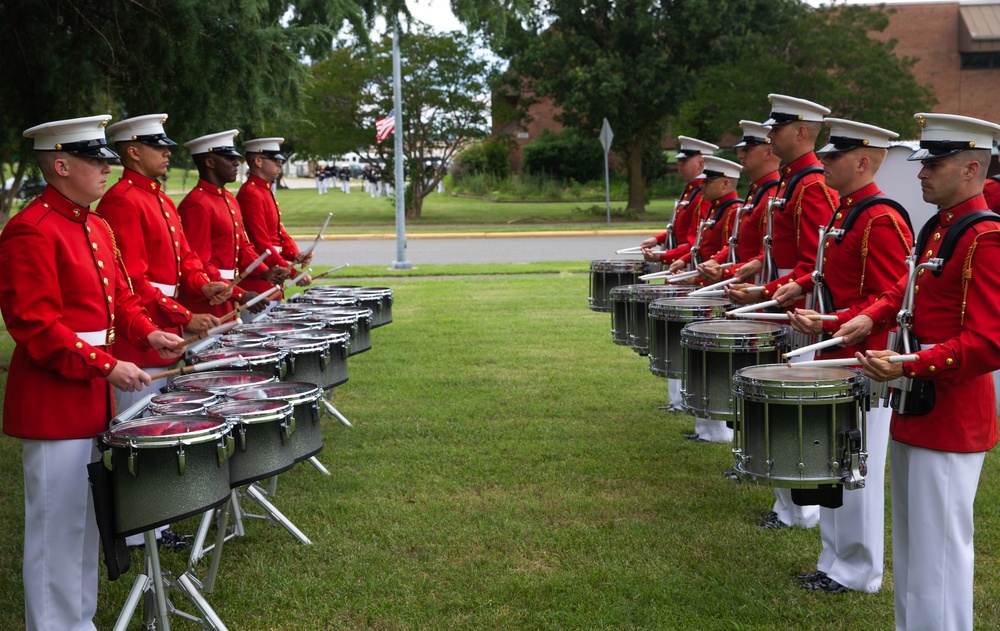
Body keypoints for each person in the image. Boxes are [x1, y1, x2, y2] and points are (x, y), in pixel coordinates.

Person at [0, 114, 184, 631]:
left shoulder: (96, 224)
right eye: (95, 159)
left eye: (108, 158)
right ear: (60, 165)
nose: (108, 167)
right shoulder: (29, 230)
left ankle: (77, 622)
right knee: (56, 528)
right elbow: (36, 327)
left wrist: (147, 332)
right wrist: (107, 365)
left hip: (91, 396)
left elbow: (119, 297)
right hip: (55, 402)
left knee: (85, 523)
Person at [839, 113, 1000, 630]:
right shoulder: (941, 226)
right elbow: (906, 293)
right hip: (916, 398)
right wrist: (869, 316)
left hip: (951, 412)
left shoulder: (986, 238)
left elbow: (988, 342)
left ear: (972, 168)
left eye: (936, 162)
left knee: (940, 554)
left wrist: (911, 362)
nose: (923, 172)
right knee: (913, 548)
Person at [773, 118, 913, 594]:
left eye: (834, 157)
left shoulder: (881, 219)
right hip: (840, 351)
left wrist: (835, 324)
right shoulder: (847, 213)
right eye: (826, 155)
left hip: (867, 363)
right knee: (835, 461)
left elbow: (889, 301)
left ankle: (859, 570)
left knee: (859, 469)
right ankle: (834, 561)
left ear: (862, 162)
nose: (824, 162)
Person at [727, 94, 839, 531]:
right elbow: (780, 253)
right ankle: (787, 506)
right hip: (784, 304)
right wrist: (759, 277)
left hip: (802, 311)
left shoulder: (811, 185)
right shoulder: (793, 183)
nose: (769, 135)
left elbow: (815, 264)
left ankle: (802, 509)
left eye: (777, 128)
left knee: (796, 408)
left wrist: (766, 291)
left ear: (802, 132)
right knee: (781, 407)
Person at [99, 114, 230, 410]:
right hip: (140, 335)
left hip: (166, 326)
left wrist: (204, 285)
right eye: (158, 147)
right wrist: (185, 316)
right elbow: (132, 281)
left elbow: (186, 257)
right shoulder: (122, 200)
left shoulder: (161, 199)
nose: (168, 152)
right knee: (141, 425)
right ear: (133, 152)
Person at [669, 155, 743, 443]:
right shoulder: (717, 209)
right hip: (708, 284)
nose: (704, 185)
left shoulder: (733, 210)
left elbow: (730, 254)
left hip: (718, 289)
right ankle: (707, 428)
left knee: (714, 358)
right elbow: (708, 249)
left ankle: (717, 430)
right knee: (702, 357)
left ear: (725, 183)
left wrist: (699, 276)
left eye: (710, 181)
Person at [177, 130, 278, 318]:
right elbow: (198, 261)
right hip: (208, 300)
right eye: (228, 157)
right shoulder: (196, 203)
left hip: (227, 295)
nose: (235, 163)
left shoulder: (228, 198)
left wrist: (264, 272)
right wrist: (238, 293)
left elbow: (242, 247)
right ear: (209, 162)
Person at [697, 120, 781, 284]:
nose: (740, 155)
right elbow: (739, 244)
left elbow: (771, 253)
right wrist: (716, 261)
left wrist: (727, 272)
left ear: (768, 153)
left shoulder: (772, 195)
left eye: (747, 150)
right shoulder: (758, 193)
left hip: (758, 287)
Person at [237, 136, 312, 320]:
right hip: (260, 280)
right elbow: (261, 243)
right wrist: (292, 272)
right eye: (276, 160)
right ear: (258, 161)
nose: (280, 165)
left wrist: (295, 255)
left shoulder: (263, 190)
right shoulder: (251, 194)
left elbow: (278, 232)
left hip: (273, 277)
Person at [640, 136, 717, 266]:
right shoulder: (691, 191)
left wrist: (664, 256)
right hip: (680, 261)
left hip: (687, 265)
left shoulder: (703, 196)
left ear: (701, 164)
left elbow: (696, 242)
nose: (679, 163)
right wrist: (657, 239)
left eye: (684, 160)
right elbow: (680, 231)